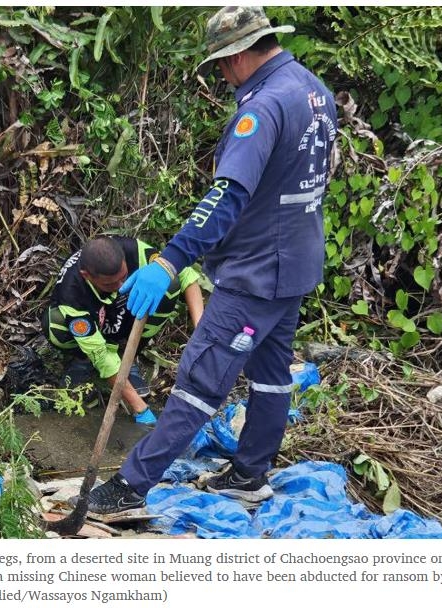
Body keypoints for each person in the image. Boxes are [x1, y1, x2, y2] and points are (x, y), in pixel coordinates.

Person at [72, 6, 338, 512]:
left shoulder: (262, 109)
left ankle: (130, 486)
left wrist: (170, 260)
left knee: (200, 379)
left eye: (220, 63)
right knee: (271, 375)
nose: (220, 73)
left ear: (239, 55)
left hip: (256, 273)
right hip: (297, 264)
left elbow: (227, 196)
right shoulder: (313, 90)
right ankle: (249, 475)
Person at [42, 235, 204, 425]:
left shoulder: (132, 249)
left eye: (123, 277)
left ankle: (129, 354)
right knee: (55, 324)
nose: (120, 287)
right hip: (95, 323)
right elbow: (102, 357)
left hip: (128, 313)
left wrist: (202, 330)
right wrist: (140, 409)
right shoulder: (71, 293)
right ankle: (84, 361)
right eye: (110, 284)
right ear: (87, 276)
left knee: (171, 280)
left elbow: (184, 274)